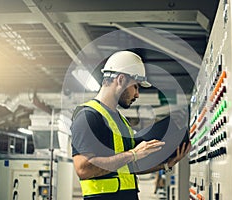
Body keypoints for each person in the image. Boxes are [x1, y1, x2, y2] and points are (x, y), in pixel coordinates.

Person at [71, 50, 191, 200]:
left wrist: (165, 165)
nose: (137, 94)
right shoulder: (88, 116)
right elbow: (84, 169)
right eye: (136, 86)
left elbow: (126, 168)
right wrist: (133, 154)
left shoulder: (120, 120)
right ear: (120, 80)